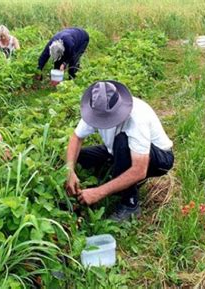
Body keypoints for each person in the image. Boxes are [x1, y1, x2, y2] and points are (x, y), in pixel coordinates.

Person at [65, 81, 174, 221]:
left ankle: (130, 204)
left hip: (158, 158)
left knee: (122, 141)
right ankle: (114, 174)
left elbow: (139, 169)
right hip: (116, 151)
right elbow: (76, 138)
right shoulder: (97, 107)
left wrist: (99, 192)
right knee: (80, 156)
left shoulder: (136, 118)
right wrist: (69, 170)